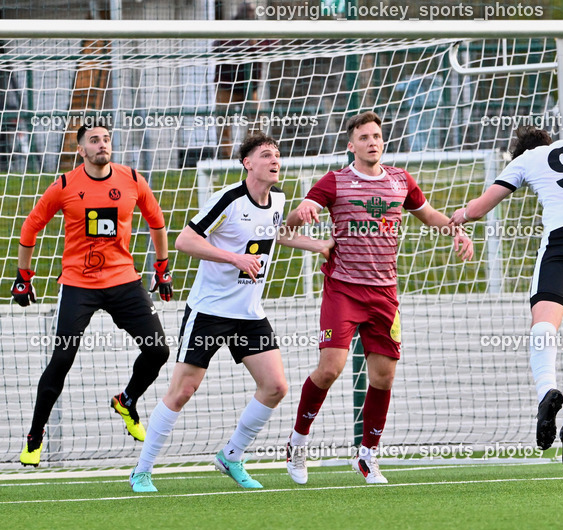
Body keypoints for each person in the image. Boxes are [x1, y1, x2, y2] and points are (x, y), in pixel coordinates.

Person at [127, 132, 330, 492]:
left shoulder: (279, 199)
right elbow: (185, 240)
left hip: (249, 313)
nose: (275, 160)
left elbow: (275, 234)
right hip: (210, 311)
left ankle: (231, 456)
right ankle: (142, 470)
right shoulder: (229, 199)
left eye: (277, 154)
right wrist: (235, 257)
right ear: (247, 163)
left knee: (276, 387)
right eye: (266, 155)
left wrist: (319, 244)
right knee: (183, 390)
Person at [283, 112, 473, 485]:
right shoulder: (335, 181)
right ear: (350, 145)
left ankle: (367, 456)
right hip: (343, 289)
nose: (372, 142)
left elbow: (429, 214)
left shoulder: (401, 181)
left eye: (377, 136)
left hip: (384, 294)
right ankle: (298, 442)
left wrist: (457, 231)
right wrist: (302, 214)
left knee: (383, 377)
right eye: (364, 137)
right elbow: (287, 229)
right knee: (330, 368)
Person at [450, 126, 563, 474]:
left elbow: (482, 206)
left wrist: (460, 217)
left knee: (544, 324)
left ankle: (546, 391)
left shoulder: (527, 158)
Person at [14, 120, 173, 467]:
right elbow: (30, 226)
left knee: (159, 350)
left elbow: (156, 222)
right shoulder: (66, 185)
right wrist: (23, 275)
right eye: (94, 140)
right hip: (78, 283)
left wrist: (161, 269)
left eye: (106, 139)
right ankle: (34, 437)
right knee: (62, 359)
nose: (102, 144)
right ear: (81, 149)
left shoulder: (132, 179)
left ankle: (126, 400)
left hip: (123, 281)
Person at [214, 3, 262, 160]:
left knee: (256, 118)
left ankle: (251, 153)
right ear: (240, 12)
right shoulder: (229, 29)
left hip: (250, 86)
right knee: (223, 120)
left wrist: (255, 45)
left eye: (252, 11)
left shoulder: (258, 30)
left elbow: (269, 46)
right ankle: (225, 155)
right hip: (226, 85)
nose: (251, 14)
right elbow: (217, 47)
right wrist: (243, 47)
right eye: (248, 11)